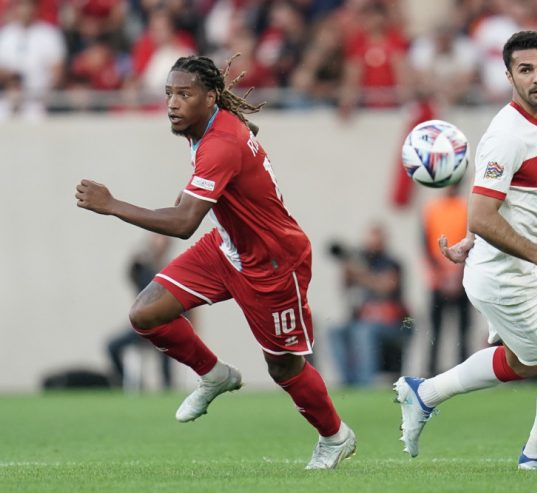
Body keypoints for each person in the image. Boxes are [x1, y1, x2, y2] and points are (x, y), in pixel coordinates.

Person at [75, 54, 356, 469]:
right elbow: (203, 193)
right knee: (146, 313)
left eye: (184, 94)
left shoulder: (220, 143)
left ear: (210, 98)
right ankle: (214, 374)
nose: (172, 103)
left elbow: (187, 221)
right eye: (169, 93)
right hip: (228, 247)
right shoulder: (206, 127)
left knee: (283, 367)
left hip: (273, 263)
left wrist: (113, 205)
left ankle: (335, 436)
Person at [393, 31, 537, 471]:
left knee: (525, 362)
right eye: (525, 70)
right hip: (505, 280)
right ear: (508, 76)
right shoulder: (507, 135)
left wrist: (471, 240)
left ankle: (423, 393)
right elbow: (483, 214)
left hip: (509, 269)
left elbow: (501, 209)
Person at [328, 224, 410, 387]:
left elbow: (385, 286)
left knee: (363, 330)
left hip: (393, 324)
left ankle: (365, 383)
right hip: (365, 319)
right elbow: (345, 288)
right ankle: (348, 381)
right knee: (335, 330)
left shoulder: (392, 263)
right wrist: (347, 270)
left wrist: (360, 274)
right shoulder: (362, 259)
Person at [106, 233, 174, 390]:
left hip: (165, 326)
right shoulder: (143, 268)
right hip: (142, 327)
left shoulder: (171, 269)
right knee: (111, 346)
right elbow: (132, 275)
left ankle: (167, 387)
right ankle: (123, 382)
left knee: (168, 347)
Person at [421, 185, 470, 376]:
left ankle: (465, 371)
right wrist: (440, 273)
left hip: (462, 278)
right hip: (437, 280)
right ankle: (431, 372)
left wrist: (459, 272)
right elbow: (425, 243)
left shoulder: (465, 207)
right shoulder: (432, 209)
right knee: (435, 331)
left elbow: (472, 239)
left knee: (463, 329)